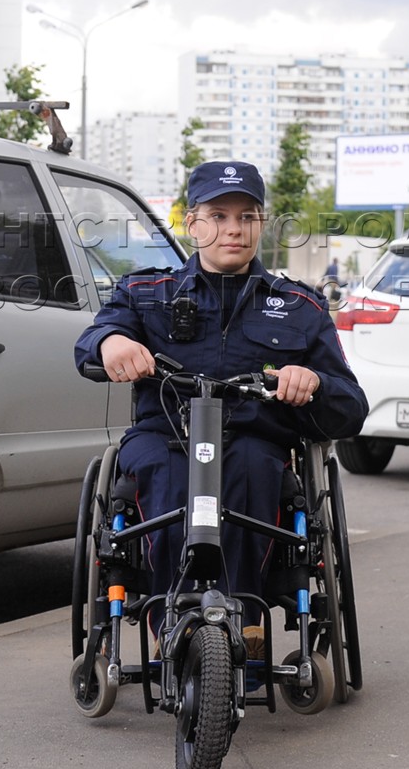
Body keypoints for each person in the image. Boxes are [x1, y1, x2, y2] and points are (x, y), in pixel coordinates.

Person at [73, 160, 369, 635]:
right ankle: (174, 629)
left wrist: (312, 383)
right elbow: (91, 341)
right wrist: (111, 343)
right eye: (218, 215)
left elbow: (351, 409)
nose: (233, 229)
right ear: (192, 223)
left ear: (262, 224)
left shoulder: (301, 306)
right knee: (166, 481)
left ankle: (240, 628)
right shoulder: (145, 292)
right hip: (164, 437)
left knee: (251, 474)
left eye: (246, 217)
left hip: (255, 441)